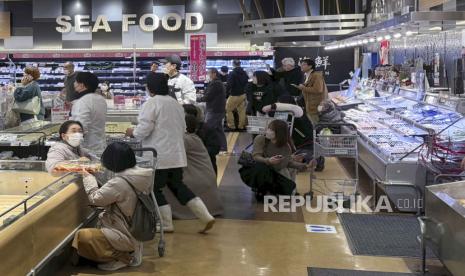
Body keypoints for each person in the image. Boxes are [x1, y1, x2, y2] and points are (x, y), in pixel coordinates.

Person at [125, 73, 214, 233]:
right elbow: (183, 128)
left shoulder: (151, 103)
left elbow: (144, 129)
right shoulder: (175, 103)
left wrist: (133, 132)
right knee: (178, 186)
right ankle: (205, 216)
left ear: (150, 88)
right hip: (176, 155)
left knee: (154, 189)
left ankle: (166, 224)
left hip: (158, 156)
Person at [72, 142, 151, 271]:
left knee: (83, 237)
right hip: (134, 232)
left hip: (123, 234)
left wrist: (87, 175)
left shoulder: (120, 182)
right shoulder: (139, 176)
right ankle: (126, 253)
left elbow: (95, 198)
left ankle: (121, 257)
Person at [164, 114, 223, 219]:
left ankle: (166, 219)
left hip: (195, 179)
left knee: (162, 183)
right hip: (203, 178)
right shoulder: (194, 137)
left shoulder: (184, 139)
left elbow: (168, 156)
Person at [239, 120, 311, 200]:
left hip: (275, 168)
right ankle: (265, 190)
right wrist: (268, 161)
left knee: (288, 169)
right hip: (256, 168)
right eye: (268, 128)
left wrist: (304, 166)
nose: (267, 131)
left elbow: (288, 162)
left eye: (271, 130)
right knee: (268, 169)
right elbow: (256, 157)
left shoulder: (286, 145)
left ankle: (288, 190)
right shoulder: (260, 139)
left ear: (279, 133)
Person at [71, 72, 107, 153]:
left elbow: (81, 127)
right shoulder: (100, 99)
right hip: (100, 144)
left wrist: (68, 143)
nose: (74, 84)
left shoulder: (83, 101)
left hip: (87, 148)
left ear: (82, 85)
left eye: (76, 81)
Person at [183, 104, 221, 175]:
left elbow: (215, 148)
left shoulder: (206, 129)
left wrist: (197, 153)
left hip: (205, 168)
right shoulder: (181, 130)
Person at [197, 68, 227, 155]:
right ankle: (223, 148)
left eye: (208, 73)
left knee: (207, 128)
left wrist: (196, 99)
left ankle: (207, 148)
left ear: (214, 74)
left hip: (214, 109)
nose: (208, 75)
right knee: (218, 129)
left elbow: (208, 96)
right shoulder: (217, 83)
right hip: (218, 109)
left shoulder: (215, 83)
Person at [297, 58, 328, 125]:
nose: (301, 66)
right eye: (301, 65)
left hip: (316, 106)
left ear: (310, 66)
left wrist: (303, 88)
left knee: (316, 126)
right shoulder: (307, 75)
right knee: (312, 124)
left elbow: (318, 89)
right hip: (310, 105)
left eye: (304, 65)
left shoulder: (316, 75)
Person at [225, 60, 249, 130]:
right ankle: (241, 126)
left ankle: (231, 126)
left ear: (233, 64)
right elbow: (247, 83)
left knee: (228, 110)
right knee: (241, 111)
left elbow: (229, 84)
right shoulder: (244, 73)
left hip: (234, 95)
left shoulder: (232, 73)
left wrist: (226, 93)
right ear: (240, 64)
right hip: (243, 94)